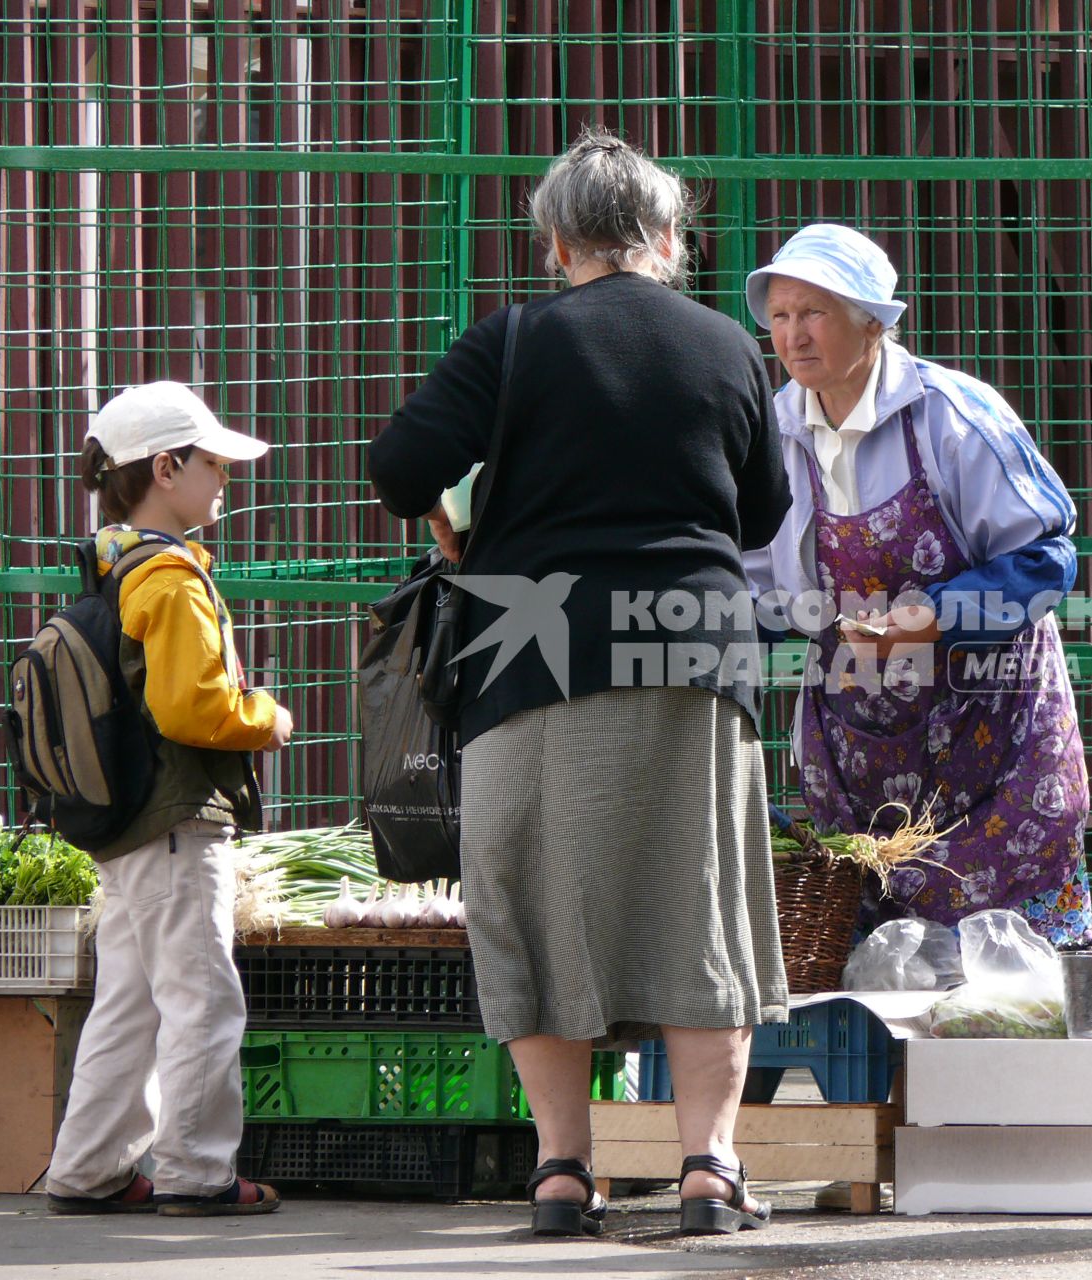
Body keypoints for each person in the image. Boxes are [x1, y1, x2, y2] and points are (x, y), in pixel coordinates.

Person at [368, 130, 792, 1238]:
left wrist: (463, 516)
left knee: (527, 906)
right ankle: (710, 1168)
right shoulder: (727, 347)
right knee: (700, 904)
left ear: (554, 239)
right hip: (695, 650)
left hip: (528, 651)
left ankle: (563, 1169)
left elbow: (399, 467)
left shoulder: (510, 340)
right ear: (667, 235)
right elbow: (763, 514)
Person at [744, 223, 1092, 946]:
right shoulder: (770, 432)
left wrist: (930, 619)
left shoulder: (952, 416)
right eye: (779, 316)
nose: (793, 336)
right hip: (863, 745)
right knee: (872, 959)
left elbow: (1046, 557)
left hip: (991, 731)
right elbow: (757, 586)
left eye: (813, 313)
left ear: (872, 322)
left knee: (1010, 975)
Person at [45, 382, 292, 1217]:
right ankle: (197, 1174)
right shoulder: (174, 577)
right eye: (214, 464)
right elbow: (193, 709)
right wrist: (266, 717)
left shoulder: (114, 563)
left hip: (127, 830)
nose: (225, 479)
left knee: (127, 1002)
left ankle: (88, 1170)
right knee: (202, 1002)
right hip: (180, 821)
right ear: (165, 466)